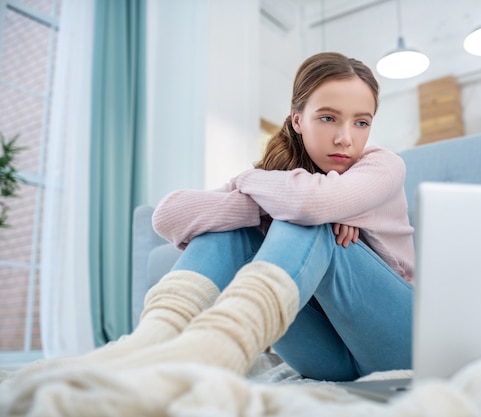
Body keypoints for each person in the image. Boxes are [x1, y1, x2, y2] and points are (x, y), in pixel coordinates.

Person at [16, 51, 415, 383]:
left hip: (396, 341)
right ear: (298, 120)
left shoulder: (381, 166)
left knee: (302, 218)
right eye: (328, 118)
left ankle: (223, 343)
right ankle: (152, 339)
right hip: (325, 359)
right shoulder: (277, 184)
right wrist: (265, 202)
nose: (346, 137)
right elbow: (169, 215)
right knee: (244, 225)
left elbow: (310, 206)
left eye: (361, 122)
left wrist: (271, 194)